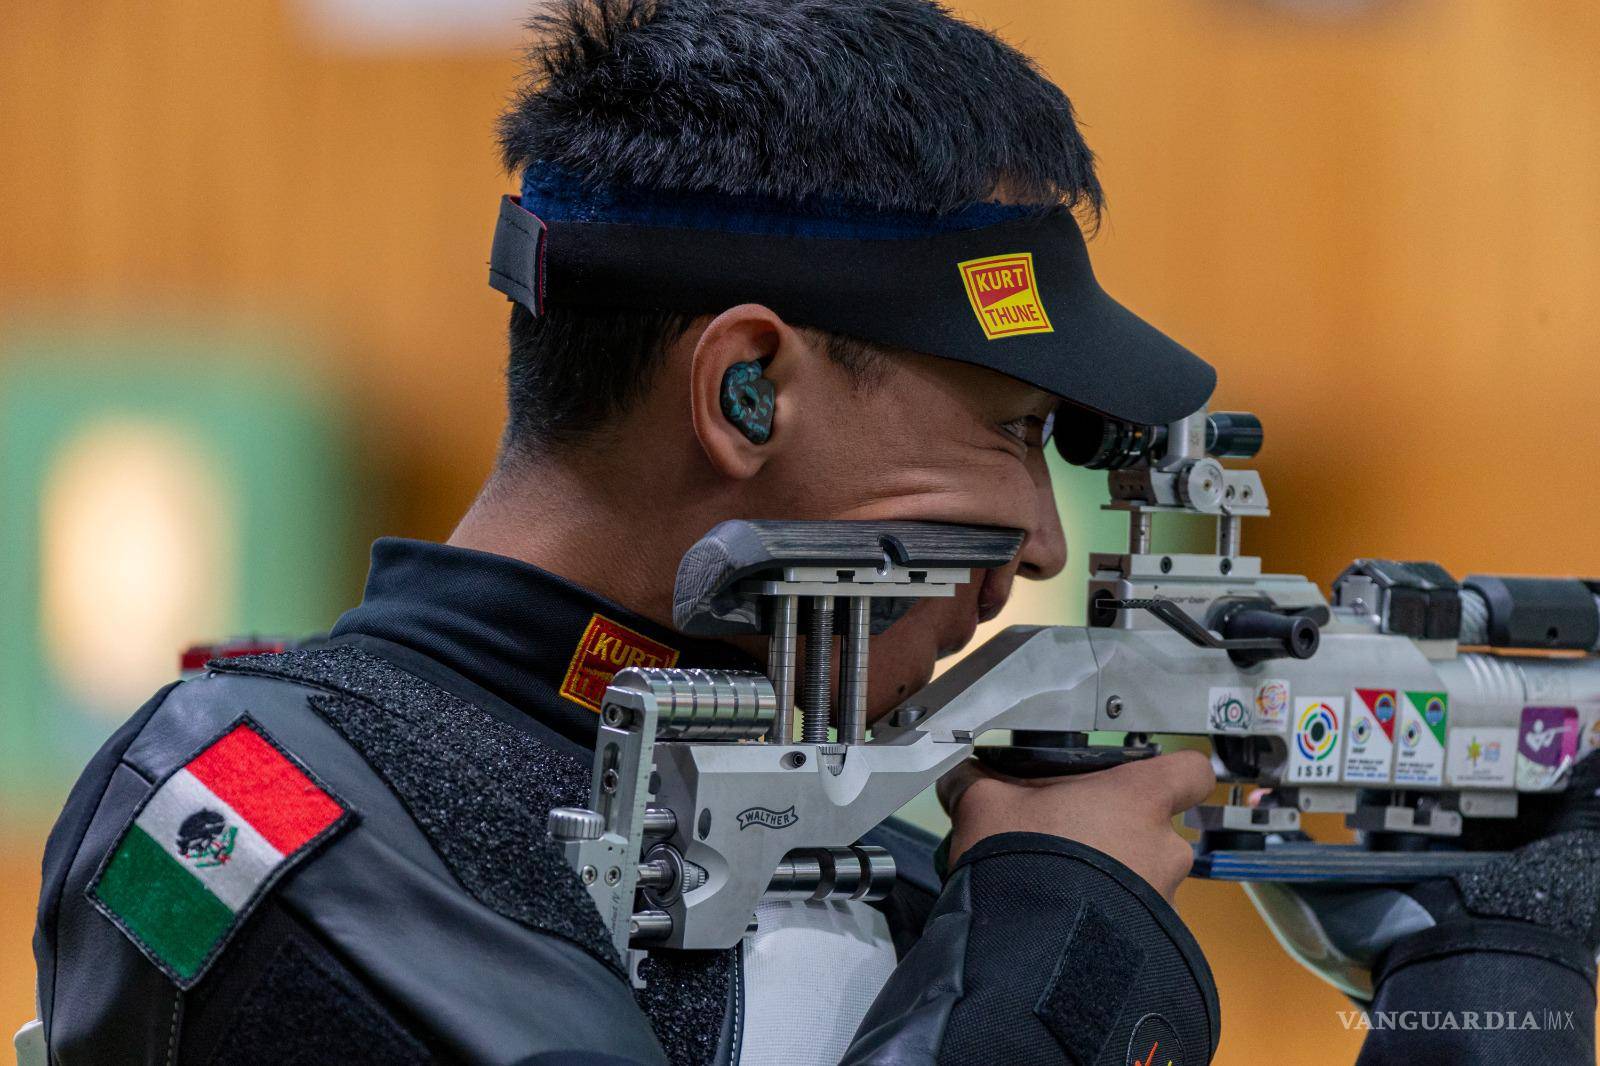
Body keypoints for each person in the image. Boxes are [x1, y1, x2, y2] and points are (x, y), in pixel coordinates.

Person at [27, 2, 1599, 1064]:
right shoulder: (258, 816)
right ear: (749, 388)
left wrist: (1477, 982)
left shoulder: (837, 838)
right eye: (1011, 429)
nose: (1038, 543)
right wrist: (1062, 927)